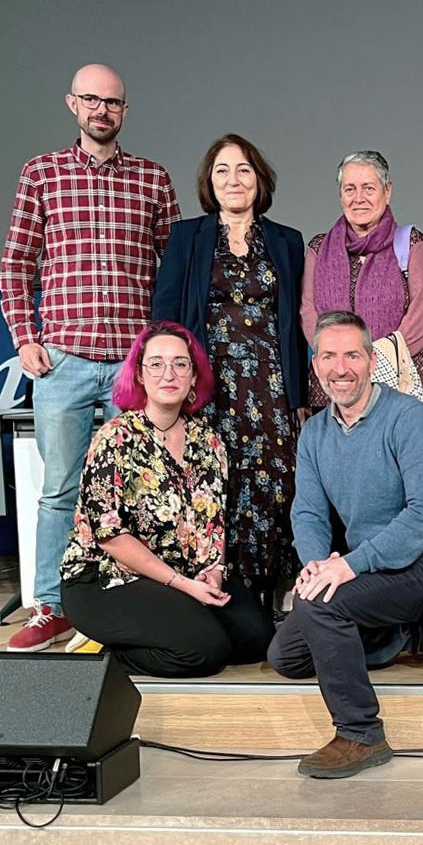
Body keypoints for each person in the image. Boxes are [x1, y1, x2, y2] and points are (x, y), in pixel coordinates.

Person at [0, 63, 181, 651]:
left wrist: (164, 355)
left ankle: (129, 601)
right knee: (60, 488)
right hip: (65, 362)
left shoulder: (153, 180)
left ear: (125, 111)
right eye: (92, 100)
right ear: (72, 104)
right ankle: (51, 607)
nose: (103, 110)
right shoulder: (41, 175)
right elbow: (16, 263)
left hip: (135, 365)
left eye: (114, 103)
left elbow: (171, 273)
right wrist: (26, 337)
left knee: (137, 486)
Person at [266, 311, 423, 779]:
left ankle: (360, 733)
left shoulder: (409, 418)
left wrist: (350, 566)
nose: (341, 367)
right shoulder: (314, 432)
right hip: (365, 569)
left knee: (319, 612)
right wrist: (315, 566)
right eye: (328, 356)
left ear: (372, 361)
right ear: (315, 366)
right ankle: (404, 634)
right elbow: (308, 512)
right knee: (285, 657)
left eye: (352, 355)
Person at [59, 322, 272, 677]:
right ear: (140, 375)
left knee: (257, 637)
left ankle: (162, 629)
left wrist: (213, 574)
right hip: (107, 578)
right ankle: (105, 651)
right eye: (156, 364)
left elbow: (213, 524)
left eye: (180, 364)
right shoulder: (114, 438)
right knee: (205, 651)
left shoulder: (208, 441)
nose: (168, 374)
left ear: (193, 377)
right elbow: (110, 537)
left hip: (182, 575)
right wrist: (182, 584)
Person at [153, 134, 306, 601]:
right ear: (209, 181)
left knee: (277, 488)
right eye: (222, 170)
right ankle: (225, 590)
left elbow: (297, 325)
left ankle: (274, 592)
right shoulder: (187, 238)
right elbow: (166, 318)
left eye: (243, 169)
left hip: (272, 390)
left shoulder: (287, 241)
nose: (233, 179)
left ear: (259, 180)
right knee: (218, 485)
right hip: (210, 389)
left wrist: (299, 397)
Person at [300, 151, 423, 405]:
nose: (359, 198)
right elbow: (308, 313)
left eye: (368, 188)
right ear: (340, 195)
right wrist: (337, 359)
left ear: (387, 192)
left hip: (397, 383)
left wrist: (375, 360)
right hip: (335, 383)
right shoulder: (318, 249)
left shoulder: (410, 242)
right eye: (349, 189)